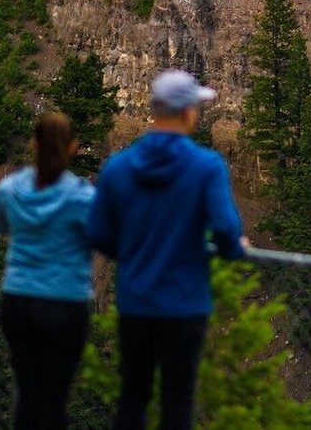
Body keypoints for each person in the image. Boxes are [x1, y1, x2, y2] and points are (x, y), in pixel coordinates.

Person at [88, 68, 247, 430]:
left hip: (135, 301)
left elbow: (97, 231)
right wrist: (230, 251)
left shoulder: (117, 167)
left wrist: (132, 257)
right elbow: (225, 228)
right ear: (189, 112)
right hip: (185, 303)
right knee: (177, 401)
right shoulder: (206, 166)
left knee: (133, 398)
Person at [0, 111, 96, 430]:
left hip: (19, 299)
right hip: (65, 302)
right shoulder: (81, 196)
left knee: (27, 392)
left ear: (33, 145)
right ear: (73, 147)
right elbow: (103, 233)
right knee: (55, 397)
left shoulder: (11, 189)